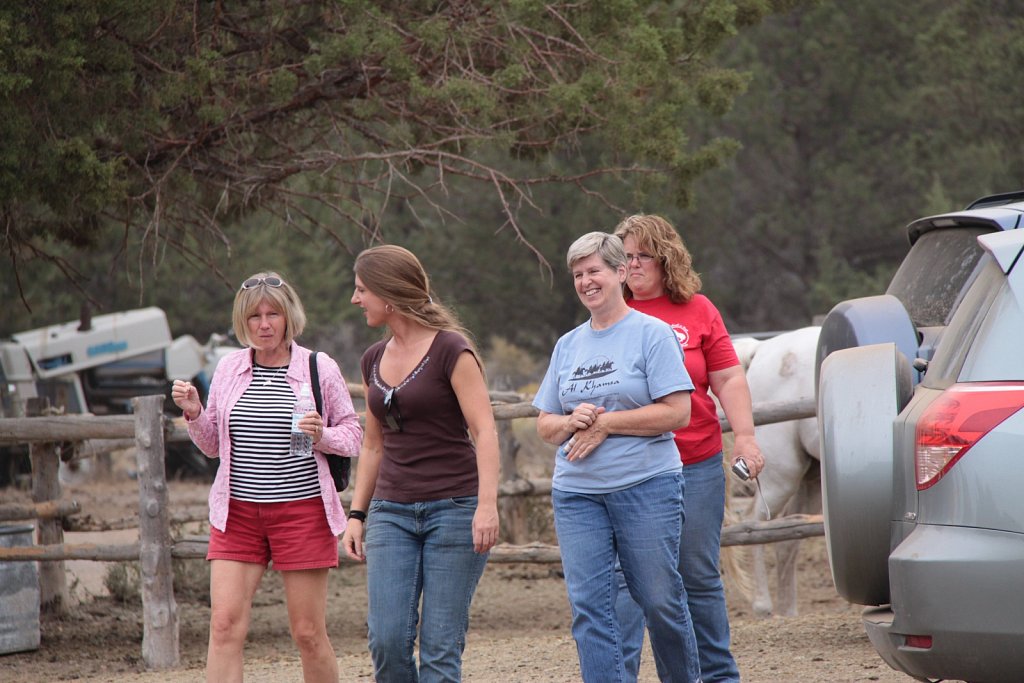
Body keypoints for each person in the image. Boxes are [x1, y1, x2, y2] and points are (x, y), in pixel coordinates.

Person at [171, 271, 362, 683]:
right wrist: (194, 412)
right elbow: (213, 446)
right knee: (224, 627)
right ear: (243, 322)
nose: (264, 324)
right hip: (237, 513)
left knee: (308, 633)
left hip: (302, 510)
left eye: (272, 313)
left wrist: (322, 434)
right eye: (254, 316)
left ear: (288, 316)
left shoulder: (318, 367)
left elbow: (353, 436)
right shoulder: (230, 368)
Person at [532, 231, 702, 683]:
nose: (586, 281)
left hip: (646, 486)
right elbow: (545, 424)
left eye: (595, 271)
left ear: (620, 273)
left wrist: (608, 423)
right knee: (590, 609)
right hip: (577, 493)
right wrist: (571, 423)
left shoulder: (653, 334)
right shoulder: (567, 345)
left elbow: (678, 412)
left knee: (659, 600)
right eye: (578, 274)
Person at [613, 214, 766, 683]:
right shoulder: (611, 314)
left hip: (695, 462)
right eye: (625, 257)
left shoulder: (697, 310)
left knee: (696, 575)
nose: (632, 265)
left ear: (666, 259)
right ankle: (619, 674)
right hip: (631, 469)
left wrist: (744, 436)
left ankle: (717, 676)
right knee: (627, 581)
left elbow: (727, 376)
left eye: (642, 255)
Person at [342, 244, 500, 682]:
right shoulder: (372, 358)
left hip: (455, 510)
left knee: (439, 649)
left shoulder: (452, 350)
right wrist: (357, 514)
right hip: (390, 513)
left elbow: (485, 431)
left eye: (361, 290)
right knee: (387, 642)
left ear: (388, 294)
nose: (355, 300)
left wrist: (487, 505)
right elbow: (373, 446)